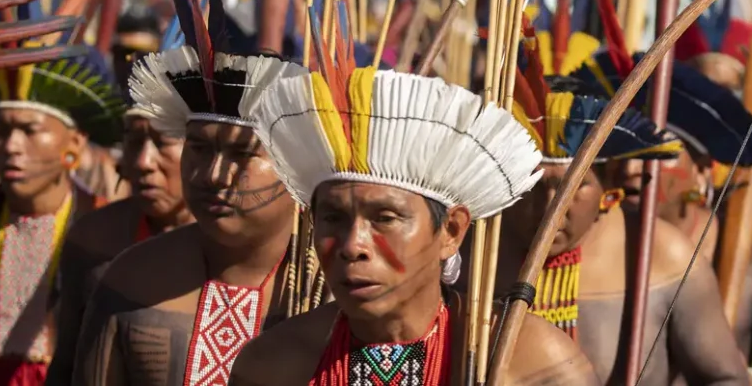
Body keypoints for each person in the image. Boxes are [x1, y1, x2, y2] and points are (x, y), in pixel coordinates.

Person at [227, 29, 596, 385]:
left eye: (385, 218)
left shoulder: (533, 365)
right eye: (333, 218)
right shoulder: (273, 366)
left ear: (451, 231)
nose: (353, 245)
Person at [71, 0, 310, 386]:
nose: (214, 175)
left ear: (296, 166)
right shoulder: (130, 279)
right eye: (198, 148)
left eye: (241, 154)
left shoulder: (338, 295)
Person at [571, 45, 752, 385]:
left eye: (655, 154)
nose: (631, 169)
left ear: (702, 173)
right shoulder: (588, 249)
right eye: (622, 151)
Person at [498, 62, 748, 386]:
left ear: (609, 184)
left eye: (573, 187)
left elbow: (727, 379)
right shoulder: (473, 254)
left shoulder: (661, 255)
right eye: (530, 184)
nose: (549, 207)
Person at [0, 44, 126, 385]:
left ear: (75, 143)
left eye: (30, 130)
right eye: (1, 130)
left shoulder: (107, 232)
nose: (11, 146)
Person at [47, 100, 191, 383]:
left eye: (162, 143)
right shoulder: (93, 239)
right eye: (134, 142)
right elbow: (67, 360)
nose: (143, 162)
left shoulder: (231, 246)